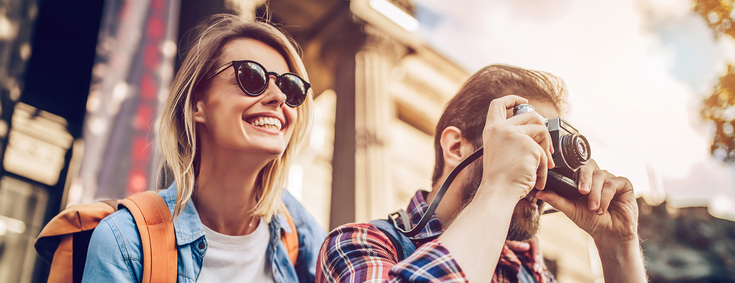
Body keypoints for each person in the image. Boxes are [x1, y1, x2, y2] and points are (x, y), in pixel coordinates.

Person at [316, 64, 647, 282]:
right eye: (529, 143)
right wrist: (501, 185)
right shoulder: (359, 244)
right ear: (456, 147)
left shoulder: (529, 271)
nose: (539, 168)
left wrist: (618, 248)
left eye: (550, 154)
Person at [83, 14, 326, 282]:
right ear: (197, 104)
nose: (279, 97)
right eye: (252, 77)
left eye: (290, 87)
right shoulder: (125, 242)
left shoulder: (298, 235)